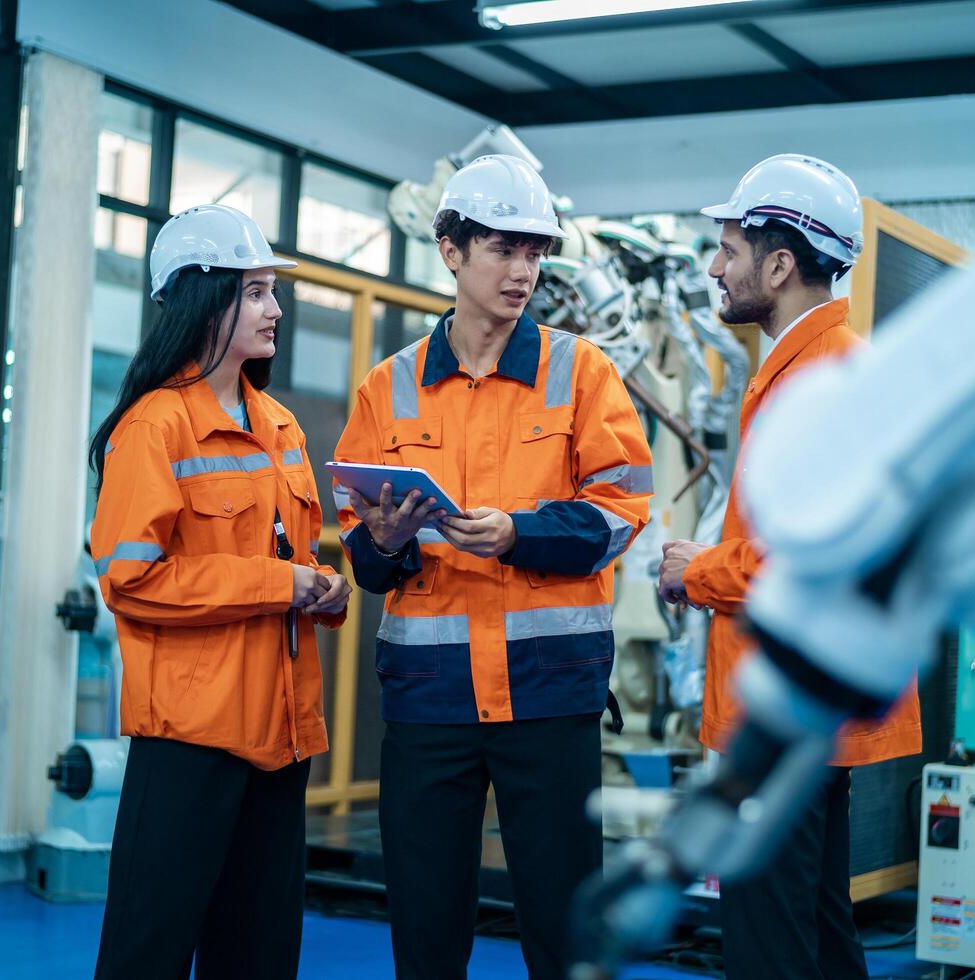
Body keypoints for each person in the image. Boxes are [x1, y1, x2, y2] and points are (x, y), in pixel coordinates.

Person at [333, 154, 653, 980]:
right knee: (425, 924)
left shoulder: (582, 373)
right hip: (429, 699)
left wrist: (516, 533)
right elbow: (365, 563)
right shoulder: (385, 389)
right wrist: (390, 539)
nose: (523, 271)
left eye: (535, 252)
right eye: (503, 249)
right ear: (449, 249)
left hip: (549, 693)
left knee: (564, 927)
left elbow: (620, 518)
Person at [657, 155, 923, 980]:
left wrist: (695, 571)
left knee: (770, 940)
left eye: (729, 248)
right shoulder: (815, 369)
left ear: (779, 264)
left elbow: (808, 565)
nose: (713, 267)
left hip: (784, 715)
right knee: (815, 921)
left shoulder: (822, 380)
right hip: (805, 707)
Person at [89, 204, 350, 980]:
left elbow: (289, 557)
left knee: (260, 955)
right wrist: (280, 584)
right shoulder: (155, 426)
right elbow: (131, 579)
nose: (277, 310)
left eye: (274, 291)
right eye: (259, 292)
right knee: (150, 949)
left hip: (281, 735)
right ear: (206, 299)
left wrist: (322, 592)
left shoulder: (279, 425)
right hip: (191, 739)